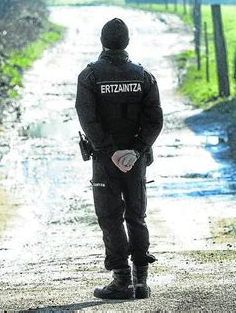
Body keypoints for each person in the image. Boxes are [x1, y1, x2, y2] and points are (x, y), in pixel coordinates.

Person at [75, 18, 163, 300]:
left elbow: (87, 118)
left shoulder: (89, 77)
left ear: (102, 41)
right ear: (127, 42)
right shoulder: (145, 76)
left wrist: (109, 150)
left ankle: (121, 281)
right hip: (135, 160)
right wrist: (136, 150)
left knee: (110, 217)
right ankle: (141, 282)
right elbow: (155, 120)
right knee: (136, 215)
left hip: (104, 160)